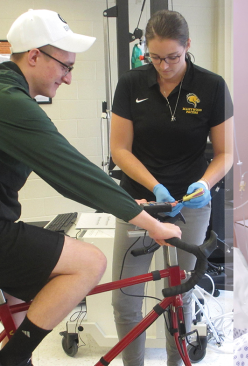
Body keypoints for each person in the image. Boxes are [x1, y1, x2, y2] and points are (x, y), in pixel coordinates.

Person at [0, 9, 181, 366]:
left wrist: (129, 203)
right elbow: (75, 174)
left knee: (20, 312)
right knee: (89, 262)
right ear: (34, 56)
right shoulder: (10, 103)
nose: (68, 79)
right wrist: (149, 221)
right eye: (65, 66)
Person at [109, 10, 233, 366]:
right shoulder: (131, 83)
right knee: (125, 299)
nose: (164, 66)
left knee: (181, 295)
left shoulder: (211, 86)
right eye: (156, 57)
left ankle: (175, 362)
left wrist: (204, 183)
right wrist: (155, 185)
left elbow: (225, 152)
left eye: (173, 57)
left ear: (188, 47)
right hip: (140, 201)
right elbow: (119, 149)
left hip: (190, 204)